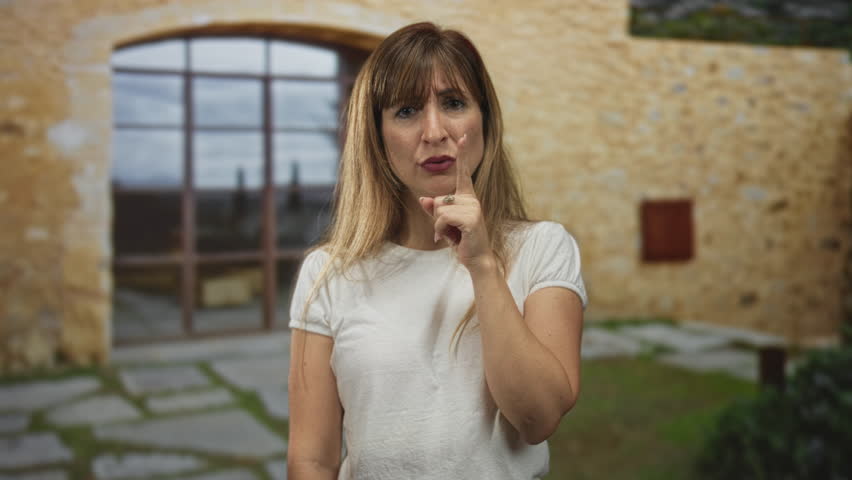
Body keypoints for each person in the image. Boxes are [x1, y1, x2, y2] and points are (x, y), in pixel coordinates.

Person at [287, 21, 587, 480]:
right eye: (406, 110)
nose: (434, 131)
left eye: (453, 103)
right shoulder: (327, 273)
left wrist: (483, 265)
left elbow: (539, 418)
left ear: (483, 118)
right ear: (378, 136)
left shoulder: (543, 248)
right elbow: (311, 459)